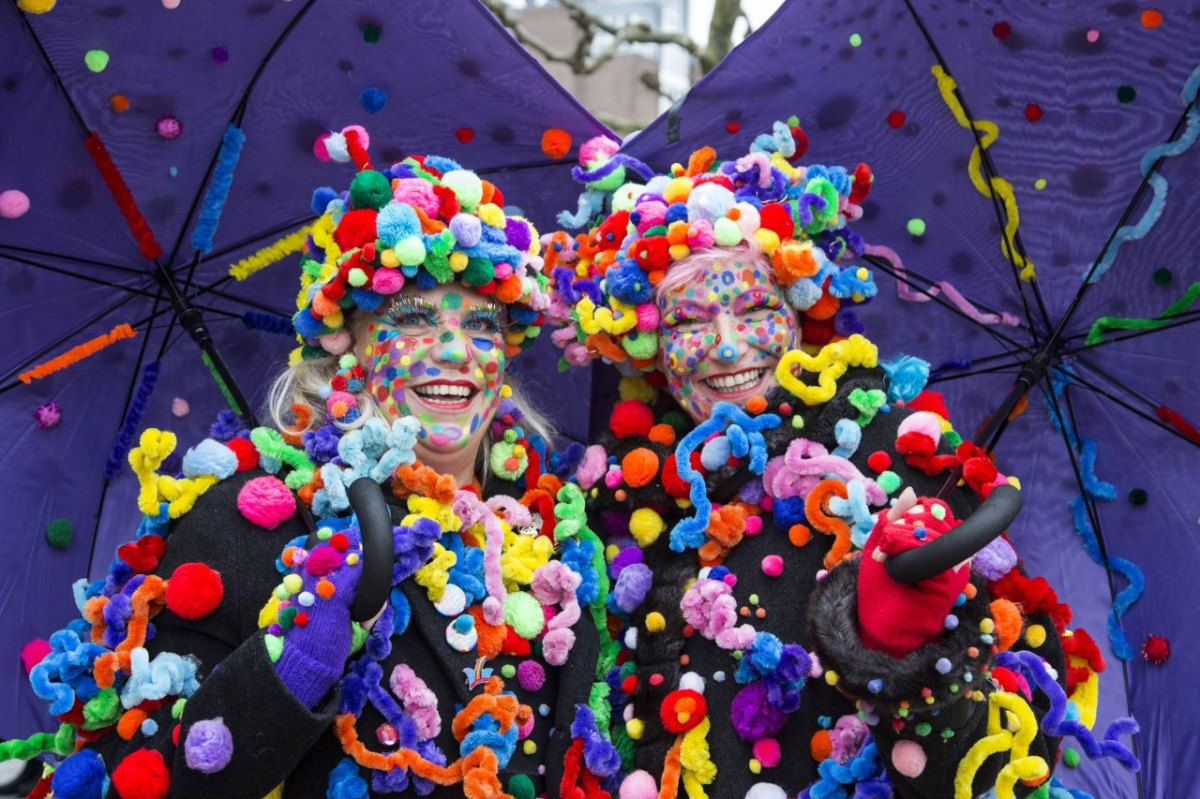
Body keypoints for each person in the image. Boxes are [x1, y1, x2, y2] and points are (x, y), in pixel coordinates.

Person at [545, 125, 1138, 798]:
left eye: (756, 308)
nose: (727, 344)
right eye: (686, 322)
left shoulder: (898, 470)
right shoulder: (615, 507)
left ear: (802, 312)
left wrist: (909, 655)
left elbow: (1015, 753)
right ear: (647, 341)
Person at [17, 126, 609, 799]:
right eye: (412, 317)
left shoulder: (554, 529)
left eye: (481, 324)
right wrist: (289, 664)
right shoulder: (252, 518)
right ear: (345, 344)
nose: (453, 350)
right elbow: (134, 777)